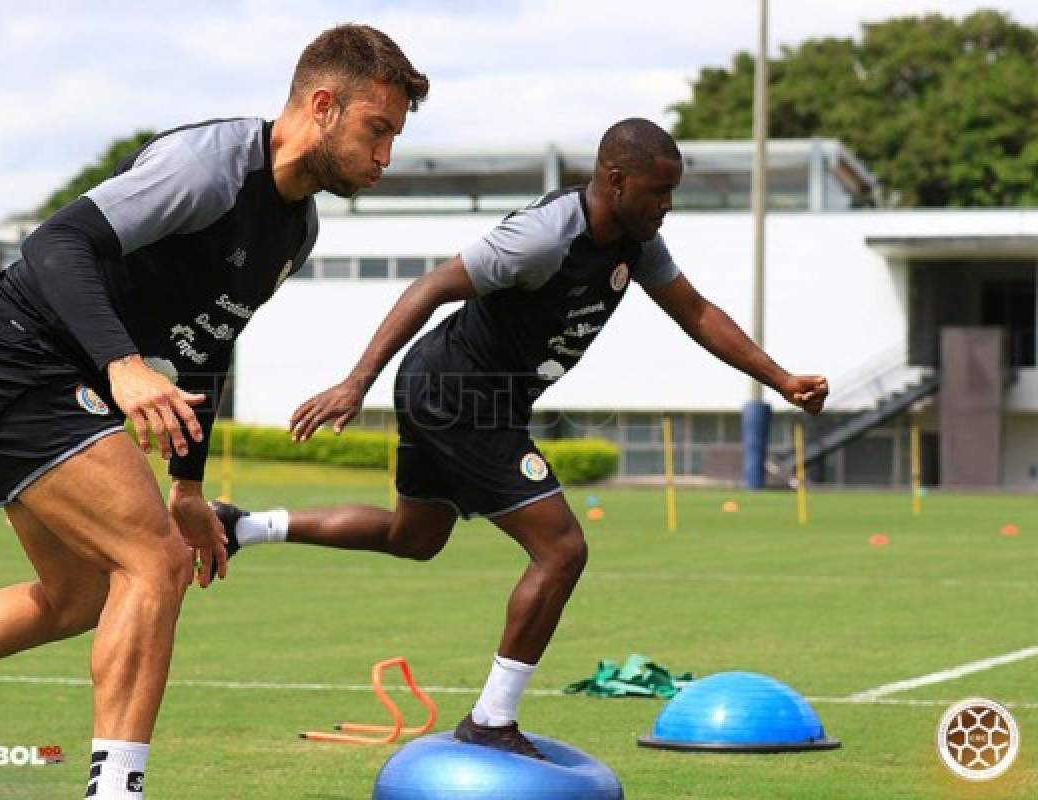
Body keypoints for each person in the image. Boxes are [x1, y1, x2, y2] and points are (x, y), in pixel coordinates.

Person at [0, 24, 428, 800]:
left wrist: (187, 490)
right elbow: (56, 243)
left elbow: (210, 346)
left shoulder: (297, 228)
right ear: (323, 105)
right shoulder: (209, 166)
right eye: (375, 130)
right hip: (9, 356)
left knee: (79, 596)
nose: (384, 158)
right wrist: (121, 366)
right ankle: (115, 792)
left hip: (43, 378)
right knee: (152, 563)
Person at [211, 118, 829, 759]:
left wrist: (781, 379)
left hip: (461, 394)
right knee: (562, 548)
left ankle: (244, 527)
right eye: (658, 191)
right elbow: (431, 286)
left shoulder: (637, 243)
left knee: (414, 537)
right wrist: (355, 382)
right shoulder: (542, 237)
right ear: (615, 182)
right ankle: (491, 718)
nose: (667, 206)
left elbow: (696, 312)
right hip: (460, 396)